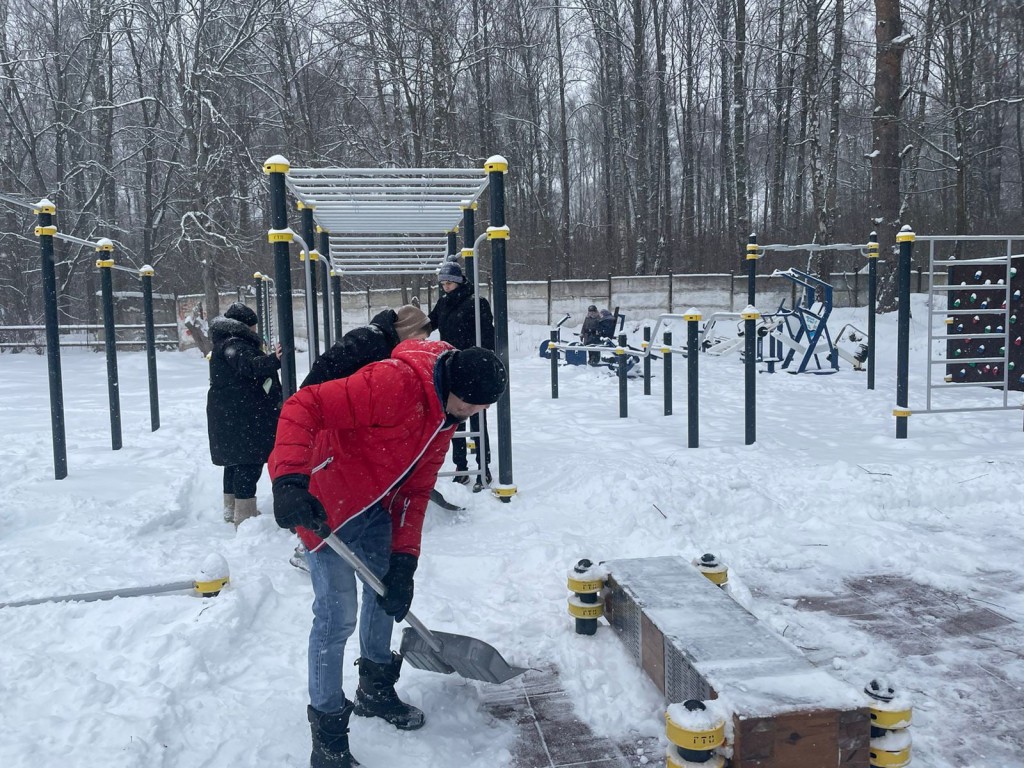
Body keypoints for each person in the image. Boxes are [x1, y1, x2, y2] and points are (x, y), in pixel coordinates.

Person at [269, 342, 507, 768]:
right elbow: (304, 406)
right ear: (454, 386)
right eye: (473, 405)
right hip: (323, 504)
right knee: (336, 616)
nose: (475, 414)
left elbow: (416, 490)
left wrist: (405, 560)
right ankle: (328, 737)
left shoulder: (446, 416)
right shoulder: (393, 383)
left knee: (385, 597)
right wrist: (289, 481)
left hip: (374, 505)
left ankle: (374, 690)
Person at [290, 304, 431, 571]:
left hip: (343, 419)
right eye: (419, 339)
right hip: (332, 418)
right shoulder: (371, 340)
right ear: (406, 331)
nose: (421, 346)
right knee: (330, 489)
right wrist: (326, 406)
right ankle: (310, 549)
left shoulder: (381, 343)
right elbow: (325, 371)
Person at [206, 301, 282, 526]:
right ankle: (245, 516)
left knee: (233, 463)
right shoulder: (235, 344)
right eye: (253, 326)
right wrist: (274, 359)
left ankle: (231, 510)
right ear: (245, 326)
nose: (255, 330)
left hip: (230, 414)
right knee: (249, 462)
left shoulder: (224, 343)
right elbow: (251, 365)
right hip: (243, 416)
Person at [428, 261, 496, 488]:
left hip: (473, 368)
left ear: (459, 281)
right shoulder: (444, 303)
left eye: (449, 282)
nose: (446, 286)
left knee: (477, 419)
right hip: (450, 368)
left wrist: (483, 364)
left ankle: (483, 469)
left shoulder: (476, 303)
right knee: (454, 420)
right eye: (443, 283)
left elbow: (488, 336)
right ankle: (461, 468)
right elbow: (429, 324)